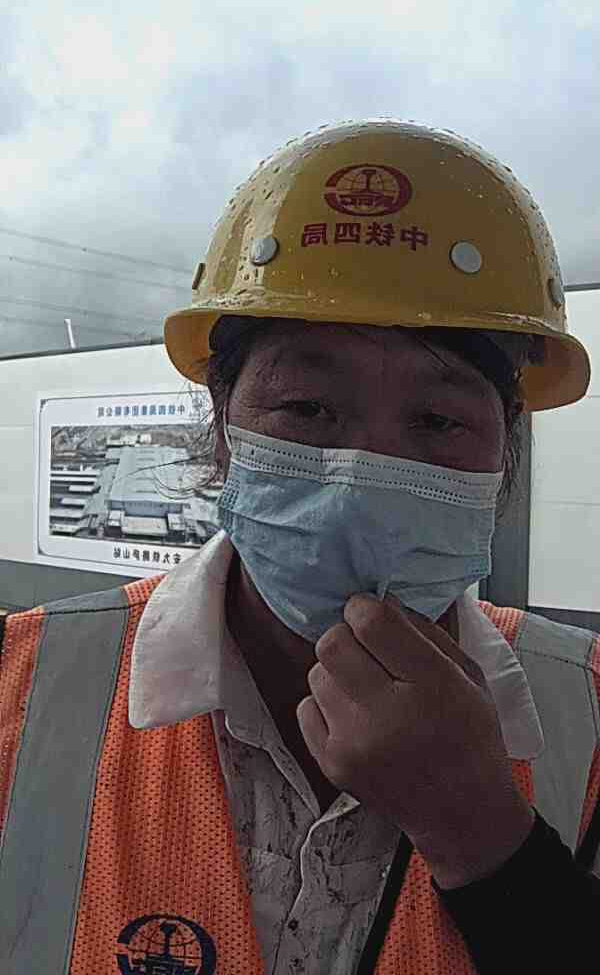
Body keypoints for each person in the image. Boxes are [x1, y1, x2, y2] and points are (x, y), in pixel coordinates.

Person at [1, 121, 599, 975]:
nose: (361, 479)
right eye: (307, 409)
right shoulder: (19, 689)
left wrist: (487, 841)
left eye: (438, 421)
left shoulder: (590, 712)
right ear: (222, 427)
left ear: (506, 452)